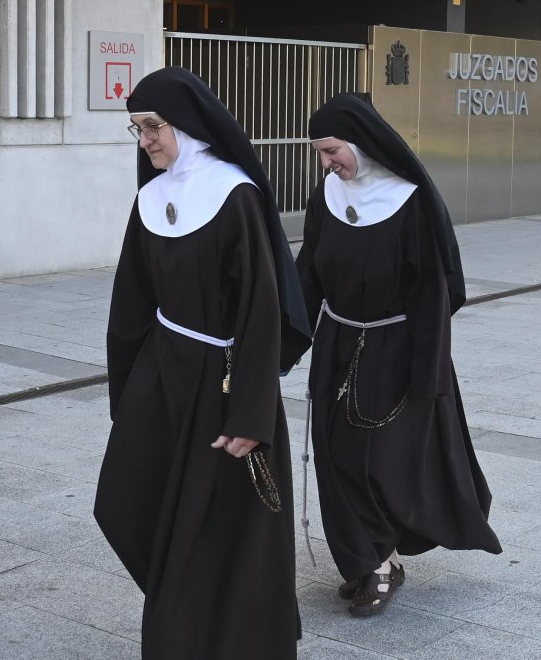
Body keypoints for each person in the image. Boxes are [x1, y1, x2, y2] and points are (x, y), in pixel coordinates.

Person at [94, 67, 313, 659]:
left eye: (153, 128)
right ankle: (183, 607)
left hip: (223, 380)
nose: (146, 142)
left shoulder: (232, 194)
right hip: (163, 375)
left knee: (215, 521)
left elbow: (262, 311)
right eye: (137, 131)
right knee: (121, 500)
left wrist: (251, 412)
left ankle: (206, 633)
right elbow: (131, 302)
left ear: (186, 126)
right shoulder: (152, 196)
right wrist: (131, 392)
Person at [285, 93, 502, 618]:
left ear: (360, 142)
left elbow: (434, 291)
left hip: (396, 347)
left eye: (332, 150)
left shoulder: (409, 201)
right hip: (339, 342)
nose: (326, 163)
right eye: (319, 153)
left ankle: (379, 559)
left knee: (377, 459)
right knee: (337, 454)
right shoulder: (327, 196)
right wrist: (284, 343)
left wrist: (428, 376)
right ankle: (371, 561)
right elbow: (308, 275)